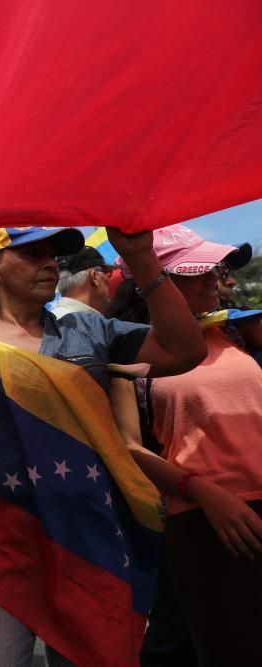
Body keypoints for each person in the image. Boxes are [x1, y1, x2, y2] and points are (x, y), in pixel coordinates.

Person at [0, 214, 206, 666]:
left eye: (53, 254)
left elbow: (185, 350)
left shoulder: (89, 330)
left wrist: (141, 257)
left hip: (85, 538)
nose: (50, 263)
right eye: (32, 252)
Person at [107, 224, 262, 664]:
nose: (214, 274)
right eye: (198, 270)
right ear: (156, 283)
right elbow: (129, 447)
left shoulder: (236, 331)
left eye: (215, 266)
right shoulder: (127, 353)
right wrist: (205, 493)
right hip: (208, 523)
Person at [49, 246, 114, 317]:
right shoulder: (88, 324)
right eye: (106, 272)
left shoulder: (51, 321)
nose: (108, 279)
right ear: (95, 277)